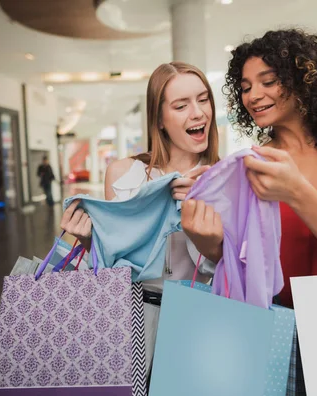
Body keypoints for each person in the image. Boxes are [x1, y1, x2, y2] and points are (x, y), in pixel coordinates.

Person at [181, 28, 317, 396]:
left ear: (305, 79)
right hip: (282, 330)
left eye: (269, 81)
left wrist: (296, 191)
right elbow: (250, 264)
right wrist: (210, 244)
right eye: (245, 87)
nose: (254, 95)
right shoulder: (254, 163)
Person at [61, 61, 220, 288]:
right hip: (133, 312)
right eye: (181, 106)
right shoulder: (122, 174)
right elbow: (112, 264)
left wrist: (202, 216)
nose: (198, 113)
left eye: (203, 100)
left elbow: (231, 269)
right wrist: (89, 240)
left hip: (194, 313)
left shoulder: (226, 179)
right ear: (159, 120)